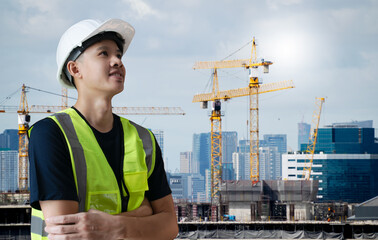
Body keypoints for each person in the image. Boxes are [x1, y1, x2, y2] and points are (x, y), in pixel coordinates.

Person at [28, 19, 178, 239]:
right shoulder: (50, 135)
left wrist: (115, 228)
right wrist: (144, 213)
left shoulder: (143, 139)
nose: (117, 60)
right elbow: (66, 233)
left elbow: (170, 226)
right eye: (104, 54)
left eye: (118, 54)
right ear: (75, 68)